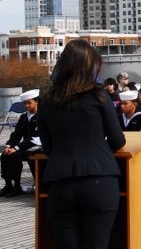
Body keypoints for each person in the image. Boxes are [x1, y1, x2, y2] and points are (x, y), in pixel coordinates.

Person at [38, 40, 126, 249]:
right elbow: (117, 140)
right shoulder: (98, 95)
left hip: (61, 184)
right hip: (99, 180)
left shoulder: (48, 100)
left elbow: (48, 147)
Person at [1, 89, 41, 197]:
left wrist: (17, 148)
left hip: (37, 145)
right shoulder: (24, 117)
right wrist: (9, 145)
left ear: (36, 101)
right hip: (25, 146)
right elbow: (16, 134)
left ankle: (17, 185)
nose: (26, 105)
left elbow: (35, 137)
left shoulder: (41, 116)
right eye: (25, 103)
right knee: (5, 155)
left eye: (29, 103)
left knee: (15, 155)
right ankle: (8, 185)